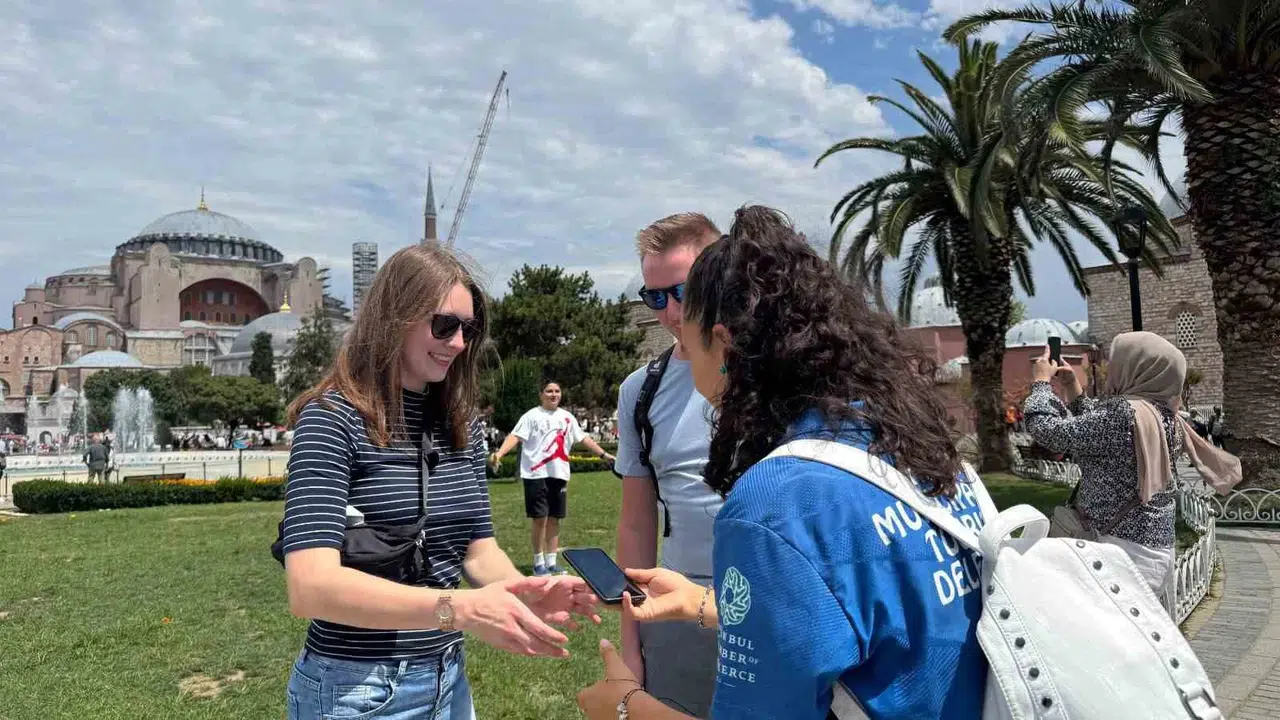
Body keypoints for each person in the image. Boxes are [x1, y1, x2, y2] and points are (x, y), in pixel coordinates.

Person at [579, 206, 989, 719]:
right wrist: (705, 605)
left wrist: (624, 707)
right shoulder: (916, 445)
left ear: (725, 342)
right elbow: (852, 619)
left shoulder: (775, 503)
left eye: (690, 315)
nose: (675, 324)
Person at [279, 243, 600, 720]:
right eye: (443, 325)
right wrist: (461, 610)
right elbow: (310, 587)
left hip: (447, 679)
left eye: (468, 329)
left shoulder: (460, 424)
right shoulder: (332, 420)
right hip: (354, 689)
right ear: (395, 317)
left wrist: (522, 591)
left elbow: (477, 548)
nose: (457, 343)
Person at [1022, 331, 1240, 598]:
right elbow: (1103, 434)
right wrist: (1073, 389)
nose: (1111, 368)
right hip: (1154, 551)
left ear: (1136, 368)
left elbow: (1050, 432)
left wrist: (1041, 384)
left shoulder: (1124, 413)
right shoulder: (1165, 415)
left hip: (1115, 553)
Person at [613, 212, 727, 718]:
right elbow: (636, 523)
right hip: (680, 611)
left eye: (682, 291)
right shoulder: (640, 392)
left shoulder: (778, 374)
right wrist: (632, 645)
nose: (671, 311)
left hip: (774, 607)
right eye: (655, 297)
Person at [488, 381, 615, 576]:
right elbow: (515, 436)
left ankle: (551, 561)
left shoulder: (567, 417)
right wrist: (500, 453)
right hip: (536, 474)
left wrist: (604, 455)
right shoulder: (531, 416)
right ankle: (538, 562)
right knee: (540, 518)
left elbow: (583, 439)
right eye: (549, 391)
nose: (553, 394)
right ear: (541, 394)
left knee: (555, 518)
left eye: (557, 391)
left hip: (559, 473)